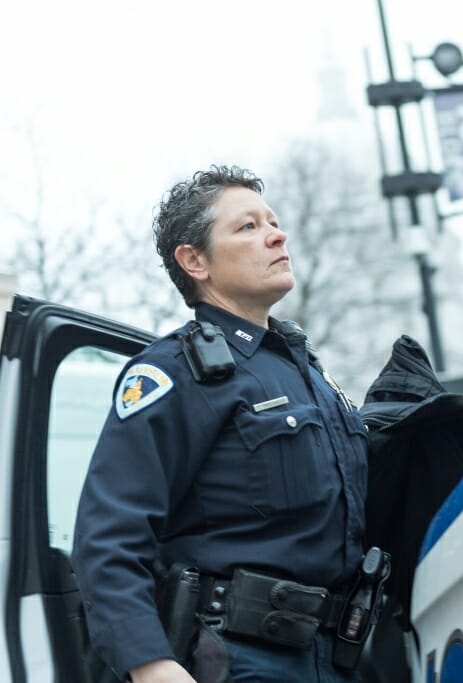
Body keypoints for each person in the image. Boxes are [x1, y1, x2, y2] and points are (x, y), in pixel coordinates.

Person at [71, 165, 370, 683]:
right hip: (237, 660)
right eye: (248, 227)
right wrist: (150, 662)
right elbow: (109, 538)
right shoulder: (173, 374)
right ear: (194, 261)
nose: (277, 234)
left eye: (273, 221)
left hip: (338, 659)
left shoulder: (312, 377)